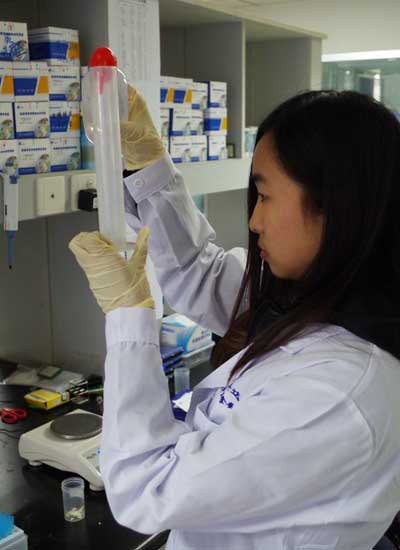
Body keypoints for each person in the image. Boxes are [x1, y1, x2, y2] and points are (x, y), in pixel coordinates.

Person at [69, 87, 400, 550]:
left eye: (264, 196)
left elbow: (146, 488)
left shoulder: (338, 395)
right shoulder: (335, 296)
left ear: (336, 206)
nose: (254, 221)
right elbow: (198, 272)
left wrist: (128, 321)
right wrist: (149, 169)